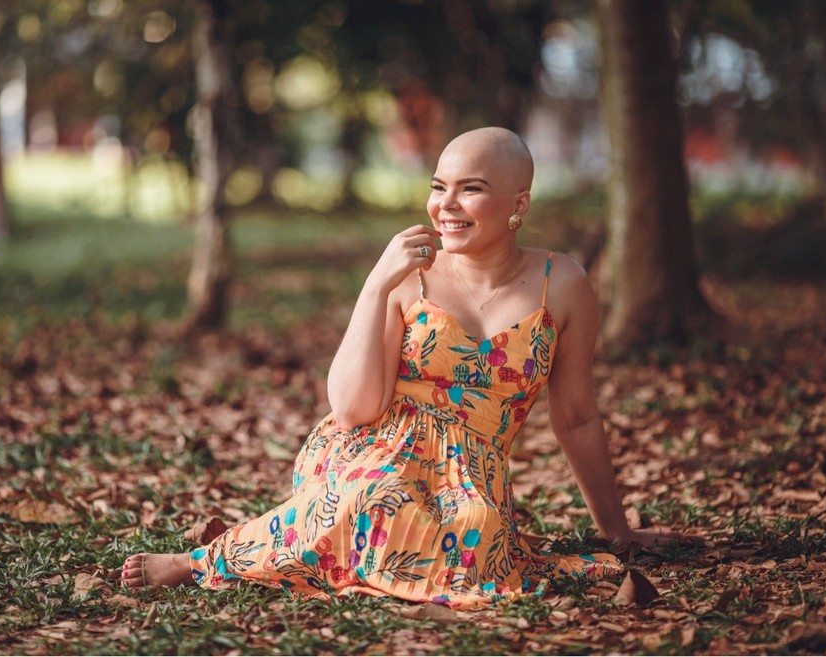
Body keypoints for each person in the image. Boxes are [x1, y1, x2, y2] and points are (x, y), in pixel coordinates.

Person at [121, 127, 693, 609]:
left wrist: (615, 532)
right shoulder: (409, 276)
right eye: (439, 186)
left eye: (471, 189)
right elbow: (351, 409)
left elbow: (577, 416)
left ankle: (289, 540)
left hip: (473, 469)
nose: (446, 205)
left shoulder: (562, 284)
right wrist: (376, 285)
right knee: (368, 499)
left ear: (519, 204)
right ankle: (201, 561)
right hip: (374, 444)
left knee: (475, 537)